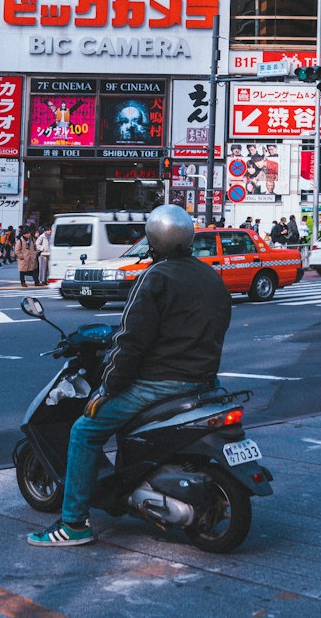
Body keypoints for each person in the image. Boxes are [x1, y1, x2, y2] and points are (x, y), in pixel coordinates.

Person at [28, 204, 232, 548]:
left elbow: (130, 342)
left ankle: (74, 523)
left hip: (160, 384)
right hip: (204, 382)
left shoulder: (155, 277)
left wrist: (106, 389)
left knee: (84, 430)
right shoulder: (210, 276)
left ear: (153, 241)